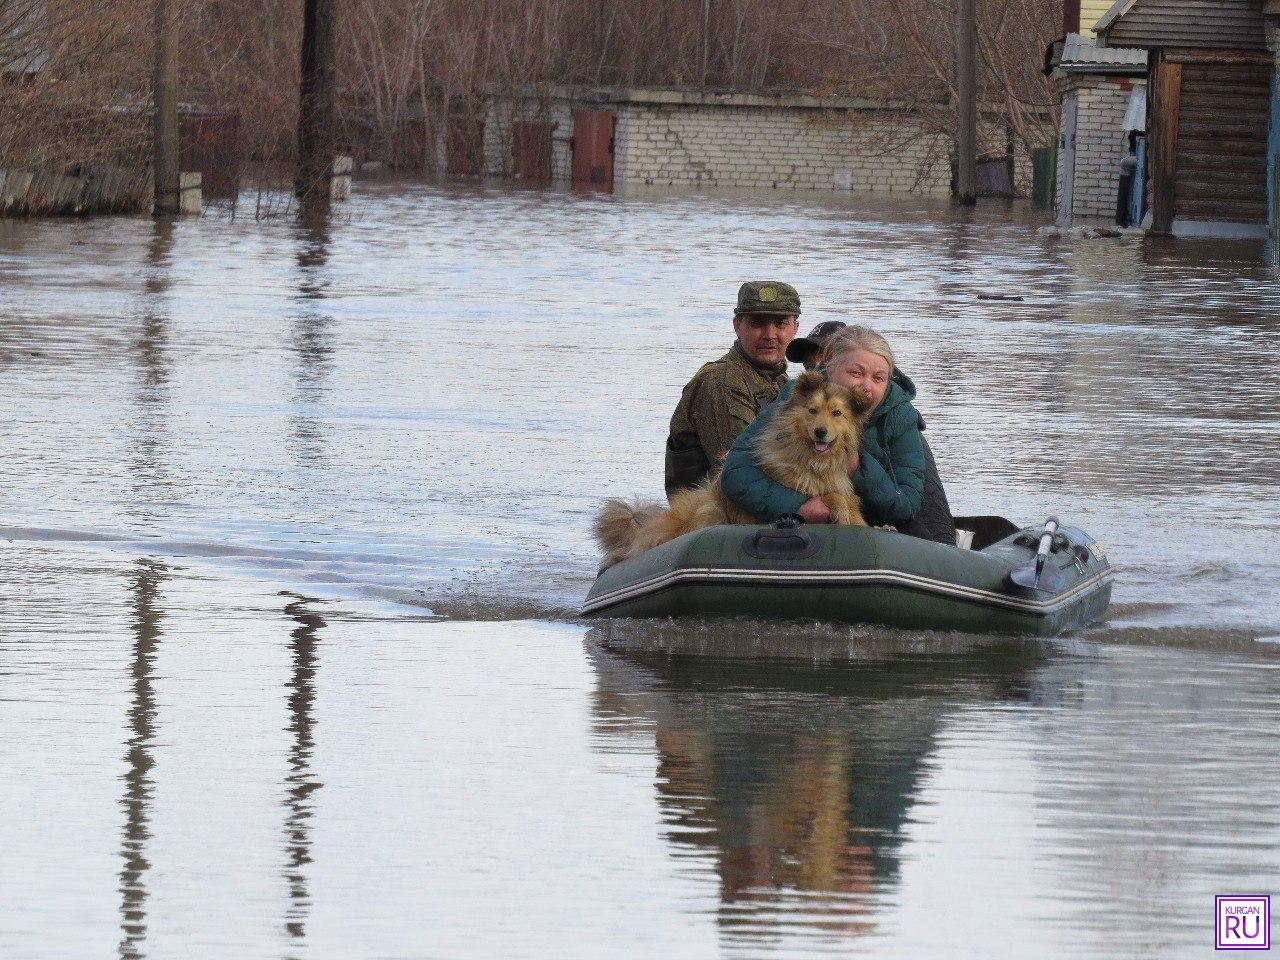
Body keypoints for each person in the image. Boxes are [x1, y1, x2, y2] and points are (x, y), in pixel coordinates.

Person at [720, 325, 957, 544]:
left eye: (878, 378)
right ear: (830, 367)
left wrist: (857, 467)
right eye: (856, 373)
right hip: (802, 521)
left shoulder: (901, 417)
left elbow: (905, 506)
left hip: (880, 525)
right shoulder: (799, 397)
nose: (866, 386)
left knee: (928, 539)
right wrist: (798, 507)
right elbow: (736, 472)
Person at [664, 281, 800, 499]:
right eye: (758, 323)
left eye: (780, 323)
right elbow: (735, 470)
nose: (770, 334)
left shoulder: (780, 381)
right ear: (738, 325)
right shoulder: (721, 381)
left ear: (795, 328)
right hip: (711, 514)